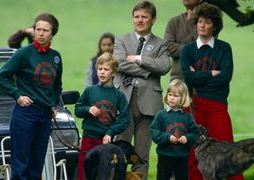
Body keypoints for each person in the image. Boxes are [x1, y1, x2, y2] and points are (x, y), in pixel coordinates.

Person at [180, 3, 244, 180]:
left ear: (214, 26)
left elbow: (226, 77)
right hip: (195, 106)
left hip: (217, 106)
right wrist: (210, 74)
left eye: (207, 22)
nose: (202, 25)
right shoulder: (187, 50)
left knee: (228, 152)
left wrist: (198, 76)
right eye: (199, 21)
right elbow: (188, 79)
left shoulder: (224, 48)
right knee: (194, 155)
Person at [0, 12, 61, 179]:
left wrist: (52, 103)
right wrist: (17, 95)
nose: (40, 33)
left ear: (52, 33)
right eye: (37, 29)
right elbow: (1, 77)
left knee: (36, 164)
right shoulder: (23, 53)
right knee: (21, 164)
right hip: (25, 114)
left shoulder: (56, 57)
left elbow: (57, 85)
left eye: (45, 30)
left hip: (44, 116)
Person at [113, 1, 171, 179]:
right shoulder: (122, 39)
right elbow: (119, 63)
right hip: (124, 100)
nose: (139, 20)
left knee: (142, 154)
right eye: (136, 17)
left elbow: (163, 66)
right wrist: (147, 72)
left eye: (144, 17)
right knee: (118, 151)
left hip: (149, 103)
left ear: (152, 20)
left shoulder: (161, 44)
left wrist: (139, 58)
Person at [75, 52, 129, 180]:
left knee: (102, 174)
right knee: (84, 174)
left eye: (106, 69)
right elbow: (77, 109)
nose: (102, 72)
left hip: (105, 142)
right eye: (100, 69)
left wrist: (110, 133)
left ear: (114, 73)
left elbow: (124, 120)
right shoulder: (90, 91)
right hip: (88, 140)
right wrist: (88, 109)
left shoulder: (119, 96)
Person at [150, 79, 199, 180]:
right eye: (170, 94)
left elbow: (195, 134)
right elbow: (154, 133)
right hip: (165, 157)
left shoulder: (187, 117)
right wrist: (167, 137)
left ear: (182, 98)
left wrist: (187, 138)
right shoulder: (161, 115)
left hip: (182, 158)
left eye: (175, 96)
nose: (171, 98)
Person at [164, 0, 202, 82]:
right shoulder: (174, 22)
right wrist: (191, 49)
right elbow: (168, 48)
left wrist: (192, 22)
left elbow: (204, 47)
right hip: (178, 79)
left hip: (202, 78)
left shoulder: (208, 22)